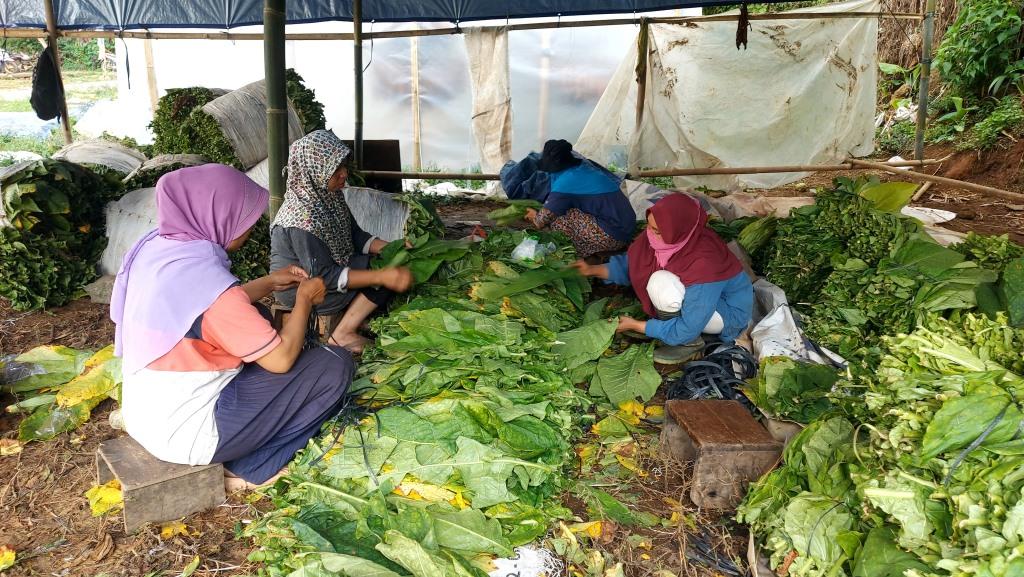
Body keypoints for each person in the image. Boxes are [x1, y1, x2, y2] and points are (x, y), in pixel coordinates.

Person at [111, 164, 352, 492]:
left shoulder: (161, 253)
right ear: (218, 215)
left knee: (259, 317)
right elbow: (280, 360)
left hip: (149, 419)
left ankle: (242, 448)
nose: (250, 226)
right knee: (332, 364)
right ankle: (252, 467)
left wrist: (269, 282)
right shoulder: (213, 289)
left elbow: (201, 309)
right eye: (244, 217)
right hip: (192, 435)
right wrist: (305, 300)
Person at [270, 130, 413, 354]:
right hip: (302, 289)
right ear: (314, 170)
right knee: (380, 277)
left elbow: (355, 235)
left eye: (343, 166)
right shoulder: (300, 220)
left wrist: (392, 248)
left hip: (332, 268)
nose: (344, 174)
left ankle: (357, 320)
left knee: (384, 265)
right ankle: (343, 334)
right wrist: (381, 276)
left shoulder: (328, 195)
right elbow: (323, 276)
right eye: (335, 169)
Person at [573, 193, 753, 364]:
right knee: (659, 279)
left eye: (657, 231)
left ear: (678, 230)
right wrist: (591, 270)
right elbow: (632, 265)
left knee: (660, 282)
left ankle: (688, 342)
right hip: (699, 302)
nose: (650, 234)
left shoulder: (704, 260)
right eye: (649, 226)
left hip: (725, 313)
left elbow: (692, 322)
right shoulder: (661, 236)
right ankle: (672, 329)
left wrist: (638, 326)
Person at [523, 139, 636, 259]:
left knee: (558, 220)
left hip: (614, 236)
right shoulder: (582, 167)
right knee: (563, 210)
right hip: (627, 227)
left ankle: (577, 250)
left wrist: (534, 216)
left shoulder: (566, 182)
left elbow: (542, 220)